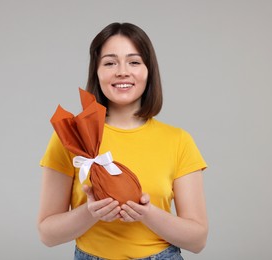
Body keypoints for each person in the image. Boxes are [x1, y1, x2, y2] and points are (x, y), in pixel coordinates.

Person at [38, 22, 208, 260]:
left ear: (149, 71)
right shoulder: (72, 137)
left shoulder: (178, 141)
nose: (122, 71)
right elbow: (48, 234)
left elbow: (197, 240)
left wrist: (147, 214)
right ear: (96, 72)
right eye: (109, 62)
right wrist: (90, 213)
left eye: (134, 62)